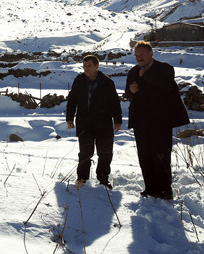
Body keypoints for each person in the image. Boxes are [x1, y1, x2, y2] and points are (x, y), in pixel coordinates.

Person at [125, 41, 189, 199]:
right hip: (141, 122)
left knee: (161, 154)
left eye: (142, 54)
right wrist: (131, 92)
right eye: (136, 55)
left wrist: (146, 76)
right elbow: (128, 94)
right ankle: (150, 187)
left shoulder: (165, 68)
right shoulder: (133, 71)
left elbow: (167, 86)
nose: (139, 57)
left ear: (151, 54)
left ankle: (165, 189)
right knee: (145, 155)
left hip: (161, 121)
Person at [66, 54, 122, 189]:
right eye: (84, 66)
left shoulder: (107, 82)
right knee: (85, 153)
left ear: (97, 66)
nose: (86, 68)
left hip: (103, 122)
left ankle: (103, 179)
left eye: (89, 66)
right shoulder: (79, 80)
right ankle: (82, 178)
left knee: (105, 153)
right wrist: (69, 117)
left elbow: (115, 102)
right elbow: (72, 100)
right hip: (85, 122)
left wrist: (118, 120)